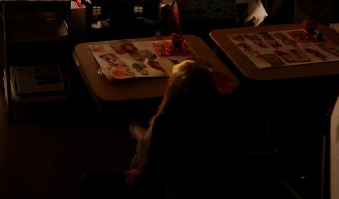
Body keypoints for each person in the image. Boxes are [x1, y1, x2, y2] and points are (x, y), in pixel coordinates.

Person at [82, 60, 236, 198]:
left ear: (172, 92)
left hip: (162, 182)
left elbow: (150, 150)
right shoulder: (220, 120)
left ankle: (132, 125)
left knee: (133, 125)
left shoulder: (163, 124)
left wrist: (139, 170)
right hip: (204, 181)